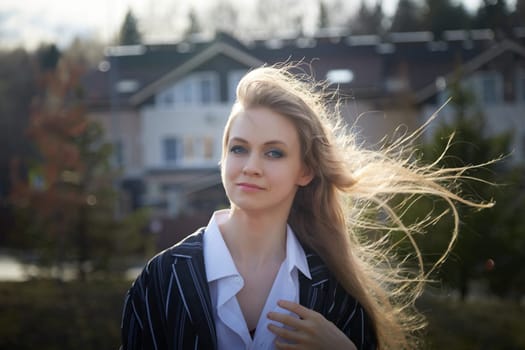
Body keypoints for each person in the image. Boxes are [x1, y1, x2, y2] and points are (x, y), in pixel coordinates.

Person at [121, 64, 492, 350]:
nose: (250, 165)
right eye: (238, 148)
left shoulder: (335, 290)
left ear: (306, 171)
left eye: (274, 152)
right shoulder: (161, 279)